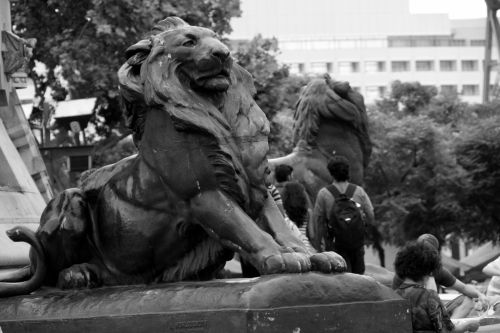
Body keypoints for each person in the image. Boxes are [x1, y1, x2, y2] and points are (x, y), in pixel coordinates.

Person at [393, 234, 488, 317]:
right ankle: (445, 327)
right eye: (424, 249)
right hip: (409, 312)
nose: (426, 254)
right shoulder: (406, 271)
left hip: (433, 310)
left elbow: (463, 288)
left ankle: (448, 328)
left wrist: (480, 295)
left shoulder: (437, 270)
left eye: (429, 251)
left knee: (467, 299)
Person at [395, 242, 480, 333]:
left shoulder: (394, 294)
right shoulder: (429, 296)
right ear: (428, 269)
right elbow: (446, 331)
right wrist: (468, 325)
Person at [309, 155, 374, 274]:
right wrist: (362, 228)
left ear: (331, 173)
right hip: (357, 244)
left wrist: (319, 246)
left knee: (341, 279)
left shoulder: (324, 194)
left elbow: (318, 222)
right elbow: (371, 215)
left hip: (335, 245)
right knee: (359, 279)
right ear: (347, 171)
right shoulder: (359, 191)